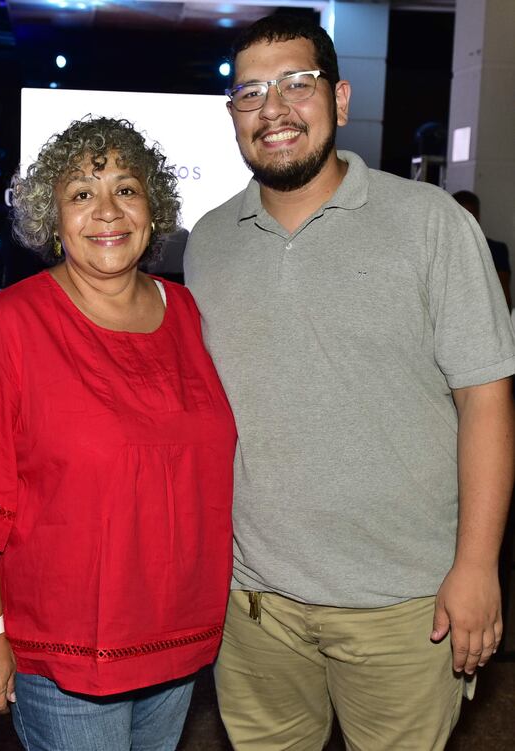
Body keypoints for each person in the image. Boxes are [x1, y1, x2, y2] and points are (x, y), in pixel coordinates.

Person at [184, 14, 515, 751]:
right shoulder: (207, 241)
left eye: (296, 84)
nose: (273, 108)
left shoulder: (429, 225)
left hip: (403, 602)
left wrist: (476, 565)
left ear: (338, 98)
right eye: (251, 92)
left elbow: (485, 400)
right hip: (252, 602)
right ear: (233, 115)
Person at [0, 116, 236, 751]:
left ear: (153, 205)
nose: (107, 211)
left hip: (177, 635)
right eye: (82, 194)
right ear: (52, 221)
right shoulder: (11, 326)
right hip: (68, 653)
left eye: (126, 189)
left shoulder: (191, 314)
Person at [453, 190, 511, 309]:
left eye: (469, 217)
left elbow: (504, 302)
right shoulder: (443, 250)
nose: (464, 222)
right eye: (458, 217)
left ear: (478, 217)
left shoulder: (496, 250)